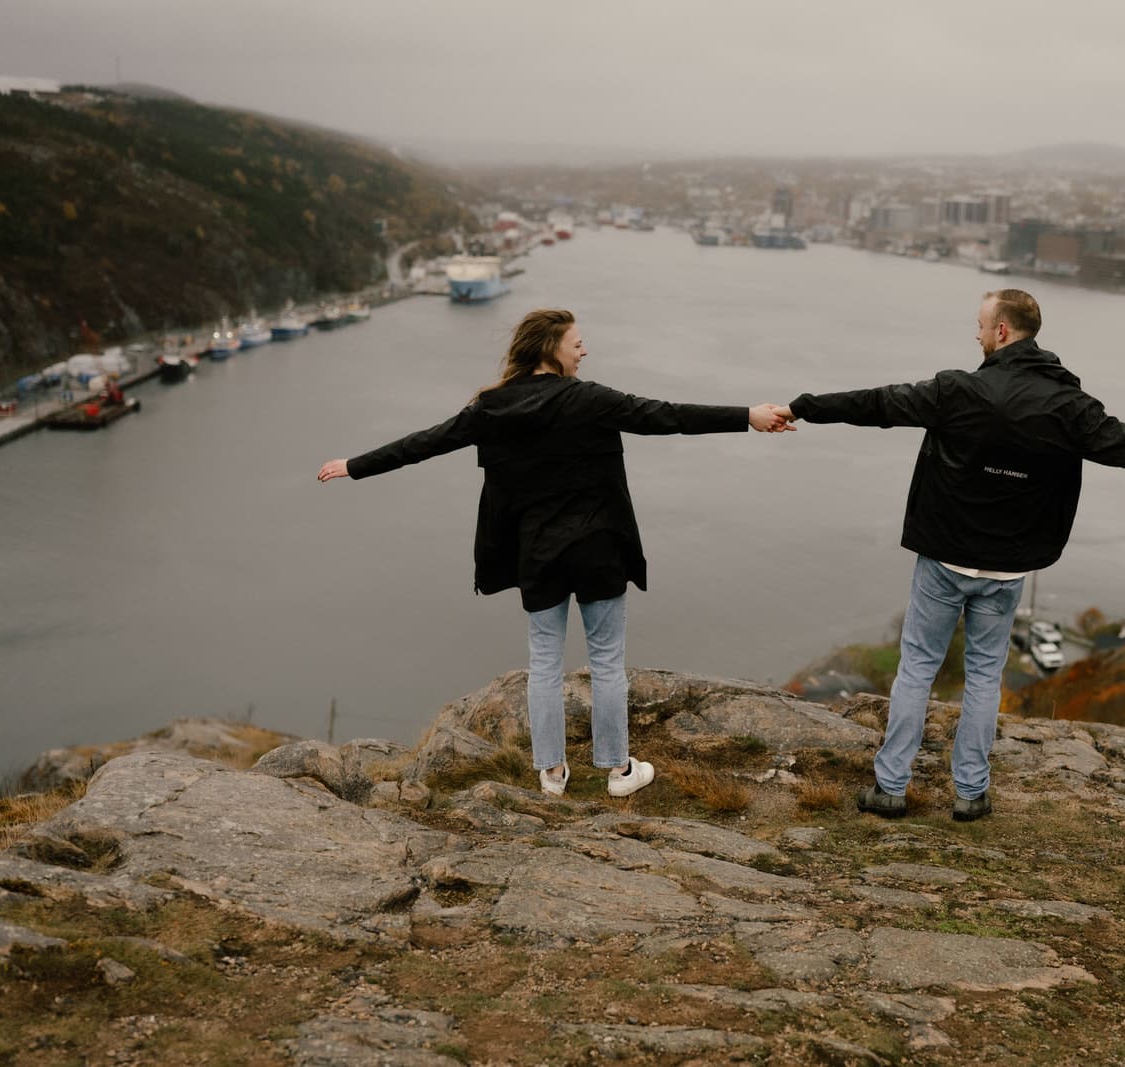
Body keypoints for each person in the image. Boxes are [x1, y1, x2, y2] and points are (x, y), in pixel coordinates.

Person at [775, 289, 1125, 822]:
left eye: (979, 325)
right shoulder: (1069, 406)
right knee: (983, 675)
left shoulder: (958, 391)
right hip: (1008, 566)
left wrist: (801, 407)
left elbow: (876, 404)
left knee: (918, 669)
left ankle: (891, 788)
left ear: (1002, 332)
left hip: (945, 558)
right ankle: (970, 794)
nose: (974, 335)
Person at [318, 308, 793, 798]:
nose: (583, 351)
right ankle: (618, 772)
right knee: (607, 661)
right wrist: (748, 417)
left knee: (544, 662)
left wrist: (354, 466)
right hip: (599, 549)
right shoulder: (591, 400)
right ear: (551, 348)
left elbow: (423, 444)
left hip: (537, 554)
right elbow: (669, 415)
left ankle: (551, 773)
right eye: (576, 343)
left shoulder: (492, 407)